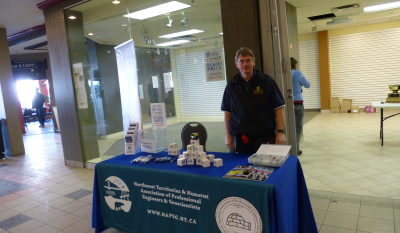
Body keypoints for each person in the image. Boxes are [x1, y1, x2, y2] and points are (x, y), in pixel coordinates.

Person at [221, 47, 286, 154]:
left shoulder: (266, 81)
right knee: (240, 169)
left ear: (254, 62)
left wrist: (281, 132)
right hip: (240, 139)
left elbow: (278, 108)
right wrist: (228, 135)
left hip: (264, 138)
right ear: (236, 64)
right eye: (241, 61)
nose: (245, 64)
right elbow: (227, 112)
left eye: (248, 60)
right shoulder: (231, 85)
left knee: (266, 169)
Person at [290, 57, 310, 156]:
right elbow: (307, 84)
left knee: (288, 128)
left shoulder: (283, 74)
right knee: (297, 129)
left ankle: (288, 150)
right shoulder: (297, 73)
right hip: (297, 104)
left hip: (286, 105)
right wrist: (299, 72)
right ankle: (296, 150)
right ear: (295, 65)